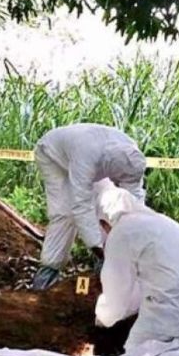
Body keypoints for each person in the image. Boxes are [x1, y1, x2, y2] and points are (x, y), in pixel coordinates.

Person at [94, 184, 179, 352]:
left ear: (104, 221)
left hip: (177, 304)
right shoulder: (162, 221)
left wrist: (102, 318)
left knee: (137, 355)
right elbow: (143, 286)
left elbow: (117, 296)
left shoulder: (121, 233)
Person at [31, 123, 147, 290]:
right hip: (53, 156)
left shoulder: (131, 159)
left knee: (108, 204)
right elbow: (81, 206)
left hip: (94, 159)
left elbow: (134, 201)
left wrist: (136, 238)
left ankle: (101, 275)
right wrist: (99, 249)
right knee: (65, 214)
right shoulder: (86, 157)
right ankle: (47, 276)